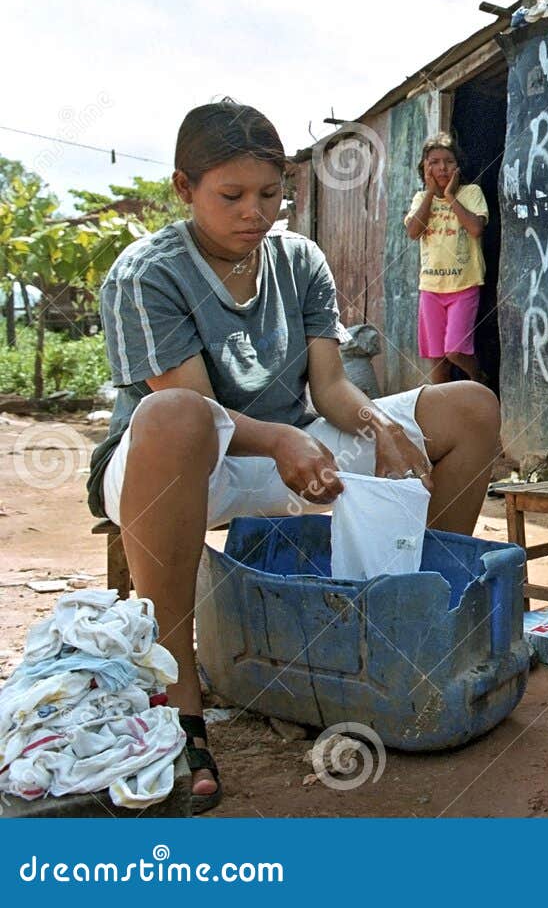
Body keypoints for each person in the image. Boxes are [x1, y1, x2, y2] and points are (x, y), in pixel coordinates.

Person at [85, 101, 501, 813]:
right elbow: (194, 408)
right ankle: (179, 696)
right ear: (184, 189)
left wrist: (377, 423)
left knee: (469, 408)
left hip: (298, 443)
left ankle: (411, 627)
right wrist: (281, 438)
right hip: (177, 464)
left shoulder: (298, 257)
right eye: (232, 195)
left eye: (270, 193)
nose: (255, 212)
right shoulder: (146, 273)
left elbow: (332, 384)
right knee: (176, 415)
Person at [403, 134, 489, 384]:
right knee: (437, 359)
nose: (442, 167)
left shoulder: (471, 193)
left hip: (464, 285)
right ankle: (442, 413)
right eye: (434, 162)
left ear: (458, 166)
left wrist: (450, 196)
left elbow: (476, 229)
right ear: (425, 168)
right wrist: (431, 194)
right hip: (430, 289)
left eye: (449, 161)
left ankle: (479, 378)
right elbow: (413, 232)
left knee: (455, 350)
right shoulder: (421, 199)